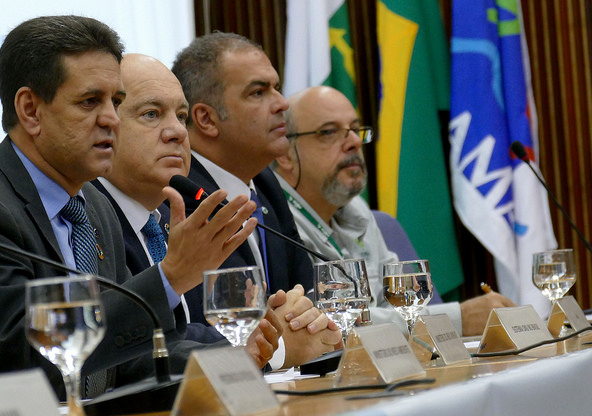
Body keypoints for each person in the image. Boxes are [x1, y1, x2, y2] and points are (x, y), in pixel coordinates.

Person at [0, 16, 272, 399]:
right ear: (31, 110)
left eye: (116, 102)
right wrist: (170, 277)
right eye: (90, 101)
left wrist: (233, 360)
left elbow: (124, 360)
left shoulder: (95, 206)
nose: (111, 119)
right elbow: (29, 359)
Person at [94, 52, 336, 368]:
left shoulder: (169, 218)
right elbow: (133, 346)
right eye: (152, 114)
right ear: (105, 126)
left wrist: (281, 323)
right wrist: (270, 346)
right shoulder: (92, 221)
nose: (178, 132)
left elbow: (191, 327)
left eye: (181, 116)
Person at [272, 86, 515, 336]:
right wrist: (459, 319)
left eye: (355, 129)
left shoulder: (358, 211)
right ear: (285, 153)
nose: (354, 142)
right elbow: (327, 325)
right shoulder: (271, 224)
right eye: (329, 132)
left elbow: (401, 304)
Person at [171, 32, 342, 361]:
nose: (282, 103)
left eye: (276, 87)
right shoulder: (179, 197)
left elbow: (306, 291)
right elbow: (199, 325)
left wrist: (307, 318)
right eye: (258, 92)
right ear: (206, 119)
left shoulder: (265, 183)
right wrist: (278, 342)